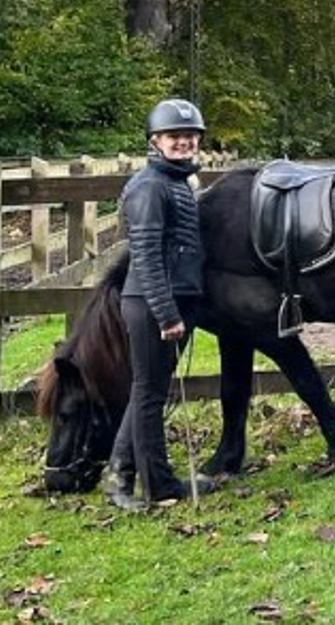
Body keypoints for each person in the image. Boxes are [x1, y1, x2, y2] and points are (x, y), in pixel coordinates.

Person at [101, 98, 218, 510]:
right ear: (155, 141)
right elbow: (147, 256)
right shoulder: (150, 186)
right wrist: (166, 314)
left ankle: (119, 477)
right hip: (152, 303)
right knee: (150, 395)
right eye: (174, 137)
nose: (184, 142)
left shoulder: (176, 182)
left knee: (148, 391)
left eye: (190, 136)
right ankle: (158, 485)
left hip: (175, 298)